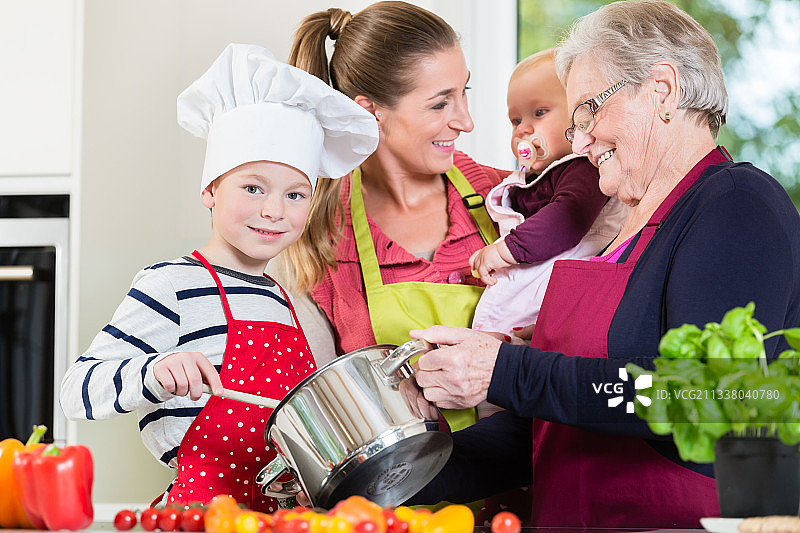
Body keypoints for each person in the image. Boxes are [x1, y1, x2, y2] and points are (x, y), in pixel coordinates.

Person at [406, 0, 800, 528]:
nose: (580, 140)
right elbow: (556, 429)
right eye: (575, 123)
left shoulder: (736, 202)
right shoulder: (619, 242)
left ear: (662, 91)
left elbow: (705, 396)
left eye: (589, 111)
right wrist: (387, 473)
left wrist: (506, 370)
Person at [59, 43, 378, 511]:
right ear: (211, 189)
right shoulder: (171, 284)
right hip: (201, 513)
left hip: (283, 515)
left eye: (295, 195)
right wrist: (154, 373)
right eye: (253, 188)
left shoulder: (285, 300)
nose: (274, 210)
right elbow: (76, 392)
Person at [285, 1, 509, 433]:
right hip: (400, 495)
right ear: (371, 111)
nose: (466, 120)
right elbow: (322, 402)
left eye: (465, 92)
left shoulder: (508, 199)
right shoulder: (317, 240)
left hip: (527, 492)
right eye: (440, 104)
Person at [470, 48, 628, 340]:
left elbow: (566, 220)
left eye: (539, 113)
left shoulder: (584, 169)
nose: (523, 129)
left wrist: (506, 250)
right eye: (515, 121)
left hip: (565, 290)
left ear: (579, 116)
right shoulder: (535, 177)